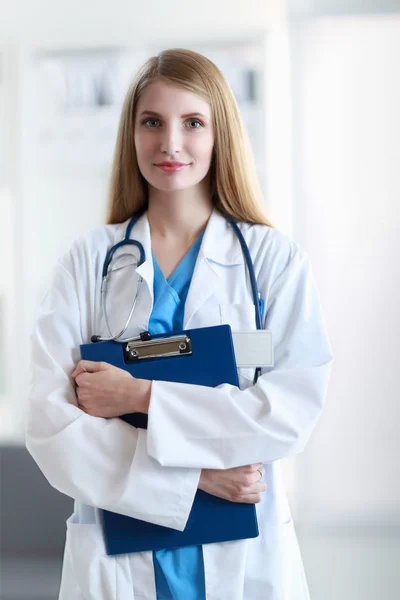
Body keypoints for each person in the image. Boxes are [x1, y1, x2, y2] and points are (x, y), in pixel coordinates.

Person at [26, 48, 333, 600]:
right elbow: (52, 426)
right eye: (152, 122)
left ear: (220, 135)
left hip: (245, 563)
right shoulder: (88, 260)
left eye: (192, 122)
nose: (170, 143)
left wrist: (140, 395)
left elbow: (288, 415)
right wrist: (193, 480)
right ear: (132, 135)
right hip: (117, 565)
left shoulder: (272, 262)